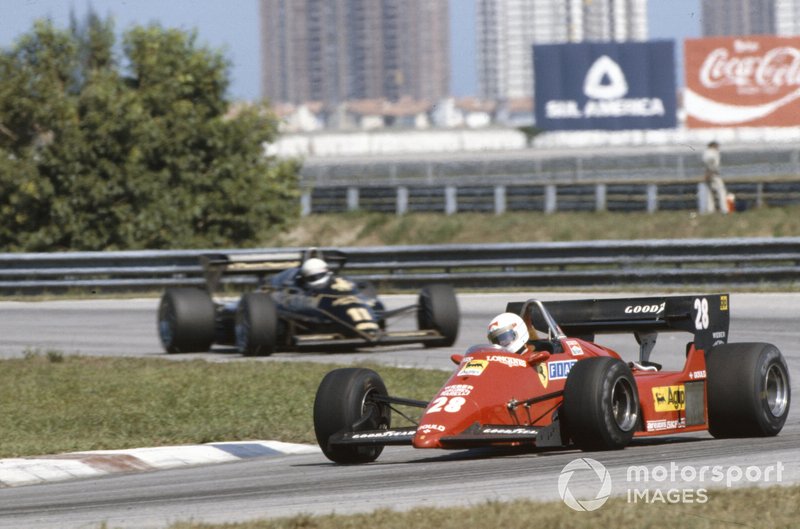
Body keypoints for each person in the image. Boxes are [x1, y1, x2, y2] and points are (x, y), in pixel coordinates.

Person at [701, 141, 729, 214]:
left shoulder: (706, 152)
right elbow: (711, 161)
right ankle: (724, 209)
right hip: (713, 174)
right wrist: (711, 171)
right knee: (721, 192)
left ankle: (710, 209)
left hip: (710, 173)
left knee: (709, 193)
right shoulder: (711, 152)